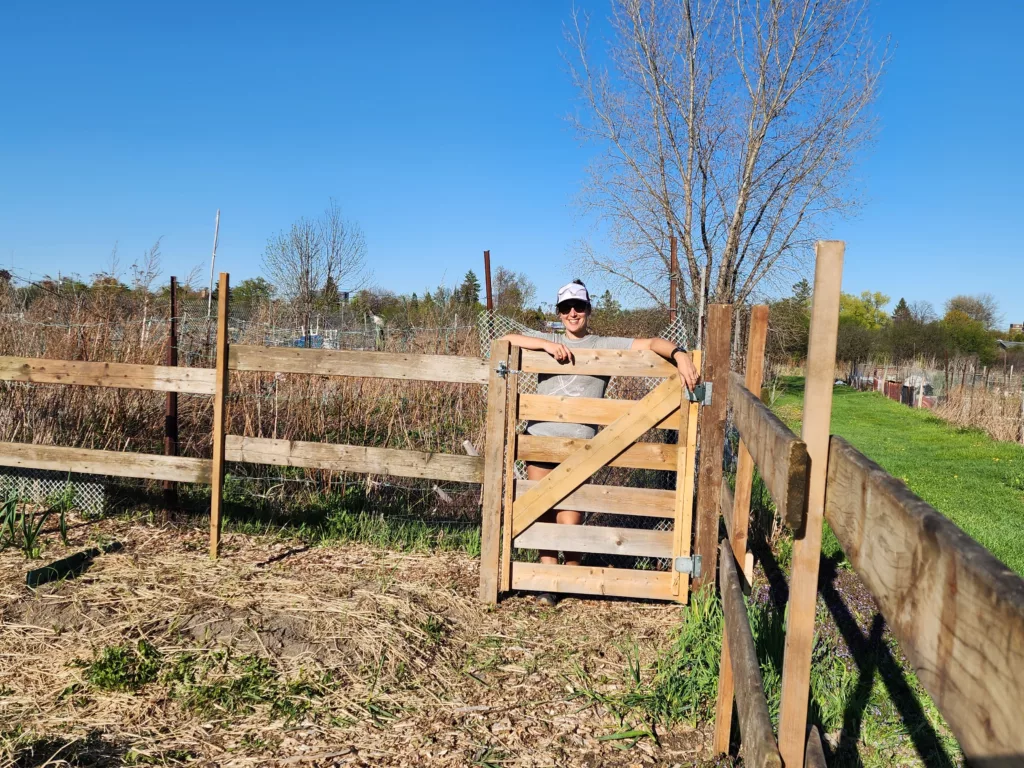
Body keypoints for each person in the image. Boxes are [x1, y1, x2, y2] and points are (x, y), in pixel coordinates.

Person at [499, 279, 699, 606]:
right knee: (541, 513)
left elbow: (650, 343)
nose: (573, 313)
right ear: (559, 312)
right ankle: (549, 584)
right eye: (566, 308)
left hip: (582, 447)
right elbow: (504, 340)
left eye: (579, 306)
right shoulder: (547, 341)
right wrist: (544, 345)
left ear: (589, 309)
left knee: (572, 516)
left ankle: (572, 577)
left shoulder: (605, 341)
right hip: (540, 439)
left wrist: (680, 355)